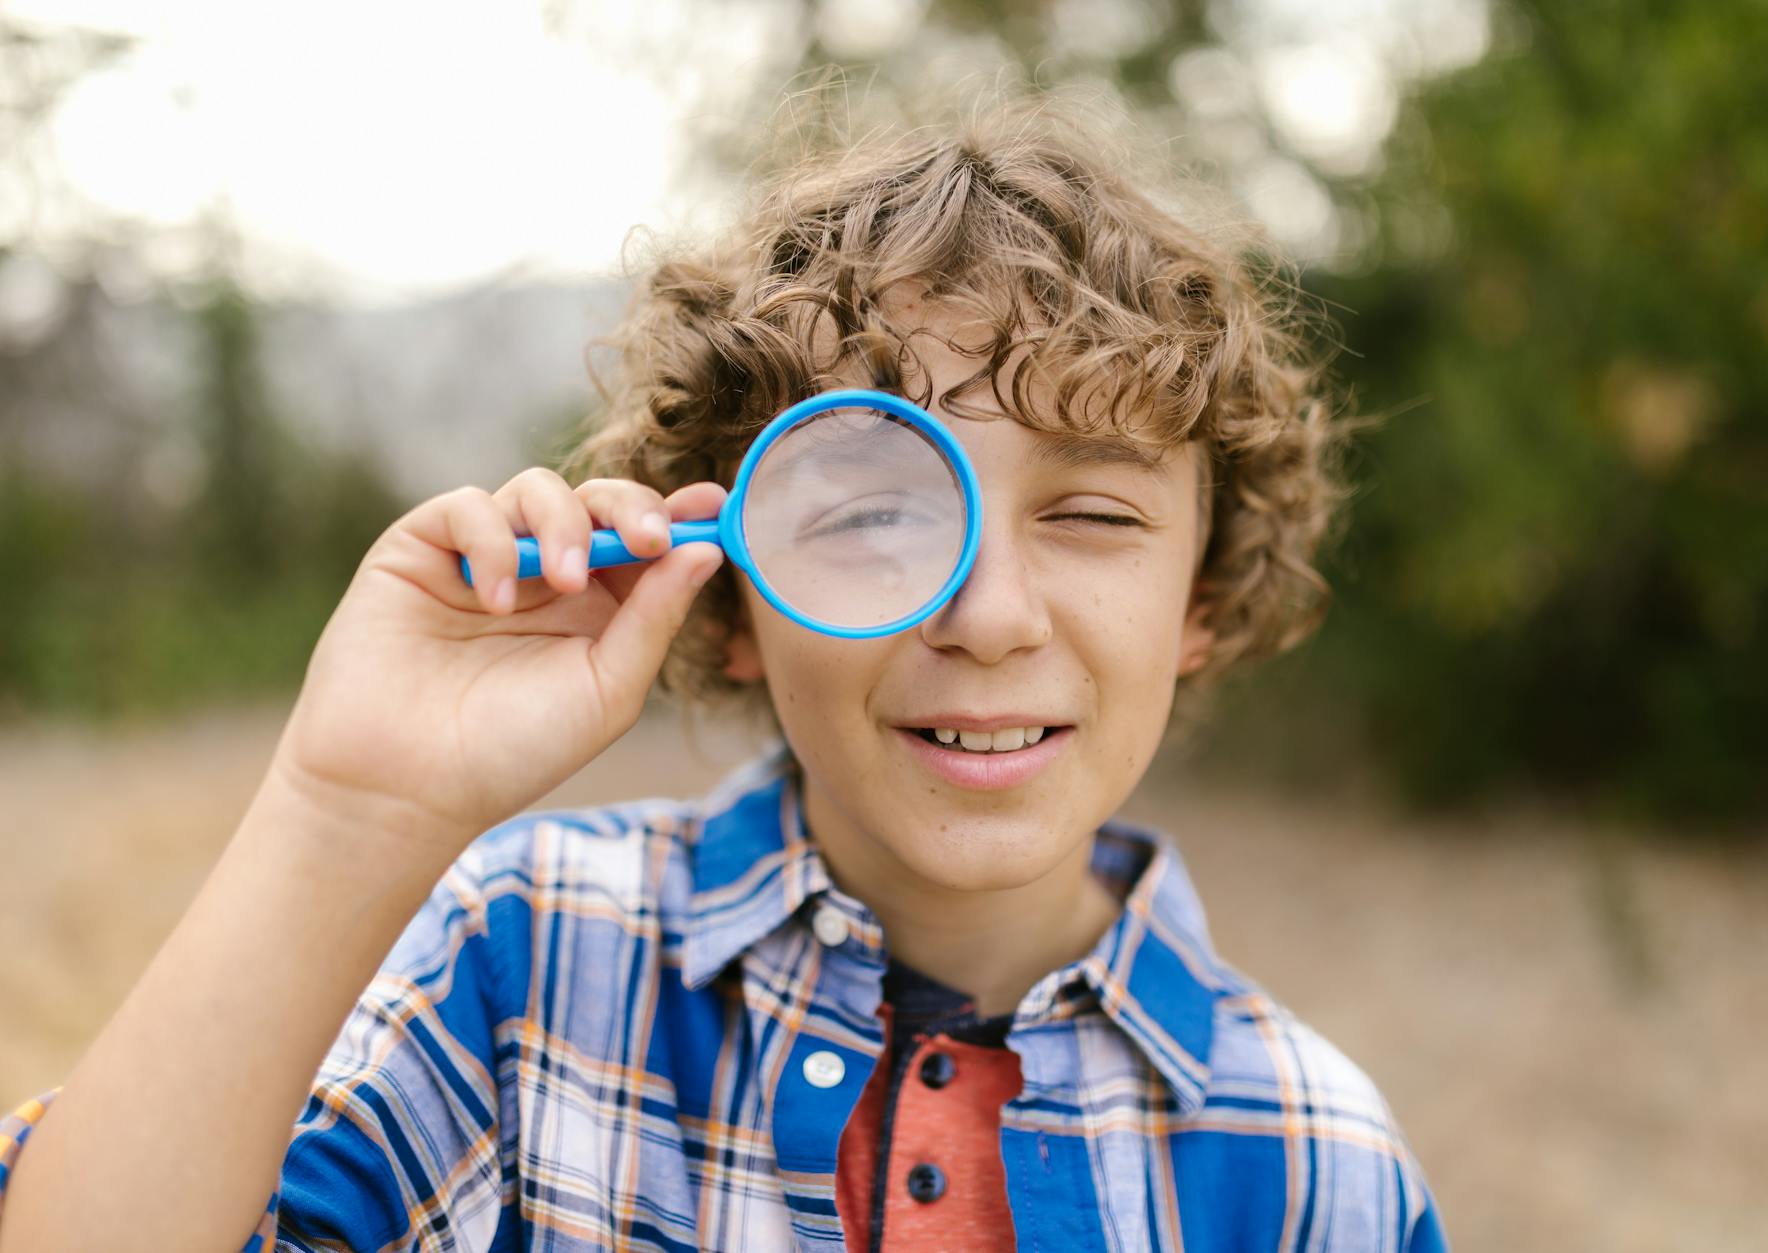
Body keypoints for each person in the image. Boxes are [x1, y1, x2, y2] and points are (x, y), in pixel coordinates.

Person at [0, 93, 1447, 1252]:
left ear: (1199, 594)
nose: (994, 614)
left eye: (1092, 512)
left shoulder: (1316, 1160)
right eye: (878, 511)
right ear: (739, 590)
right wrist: (344, 806)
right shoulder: (527, 965)